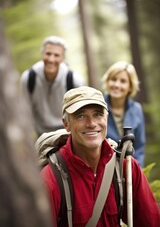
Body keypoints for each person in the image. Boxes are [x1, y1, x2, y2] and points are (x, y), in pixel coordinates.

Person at [41, 86, 160, 226]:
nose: (91, 123)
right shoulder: (51, 179)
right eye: (80, 116)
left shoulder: (125, 167)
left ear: (106, 118)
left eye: (98, 114)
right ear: (66, 124)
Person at [20, 36, 85, 136]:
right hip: (41, 135)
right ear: (42, 54)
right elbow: (24, 112)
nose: (51, 59)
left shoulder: (74, 80)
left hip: (68, 134)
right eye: (48, 54)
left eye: (56, 55)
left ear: (62, 59)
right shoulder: (29, 78)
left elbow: (81, 113)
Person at [101, 61, 146, 167]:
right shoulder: (98, 107)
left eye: (123, 81)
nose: (117, 85)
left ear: (130, 86)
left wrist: (135, 171)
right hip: (103, 169)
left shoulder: (137, 109)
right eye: (113, 79)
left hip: (130, 169)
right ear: (107, 81)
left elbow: (139, 147)